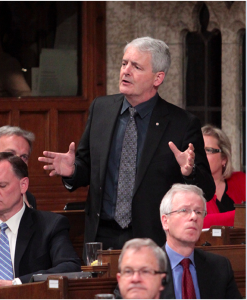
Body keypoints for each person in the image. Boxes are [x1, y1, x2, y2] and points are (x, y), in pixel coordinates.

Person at [38, 36, 215, 257]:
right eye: (124, 63)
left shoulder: (182, 123)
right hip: (101, 236)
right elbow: (87, 168)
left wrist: (189, 173)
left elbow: (207, 190)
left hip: (152, 238)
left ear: (158, 78)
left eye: (136, 66)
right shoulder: (101, 108)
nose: (126, 71)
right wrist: (73, 170)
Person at [0, 152, 81, 286]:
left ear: (23, 185)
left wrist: (17, 284)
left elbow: (70, 267)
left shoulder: (50, 225)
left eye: (2, 186)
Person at [159, 183, 242, 299]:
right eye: (184, 210)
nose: (194, 216)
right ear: (165, 221)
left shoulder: (220, 267)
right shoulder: (145, 268)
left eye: (198, 212)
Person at [202, 124, 246, 228]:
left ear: (224, 158)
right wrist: (241, 216)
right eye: (198, 150)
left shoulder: (241, 180)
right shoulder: (189, 187)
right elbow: (198, 222)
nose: (201, 156)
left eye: (208, 150)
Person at [0, 125, 36, 209]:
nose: (18, 162)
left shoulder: (29, 199)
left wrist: (25, 210)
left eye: (23, 157)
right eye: (11, 155)